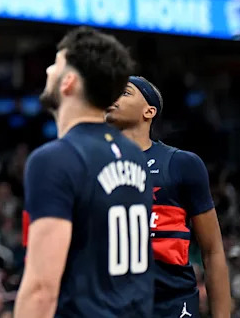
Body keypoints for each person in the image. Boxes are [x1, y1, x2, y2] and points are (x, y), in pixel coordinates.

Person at [14, 26, 153, 318]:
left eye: (57, 63)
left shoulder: (53, 160)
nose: (50, 69)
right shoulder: (134, 156)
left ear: (69, 82)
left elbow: (41, 289)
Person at [105, 75, 232, 318]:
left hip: (173, 304)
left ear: (149, 111)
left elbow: (213, 250)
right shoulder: (90, 164)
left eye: (125, 92)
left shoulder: (181, 164)